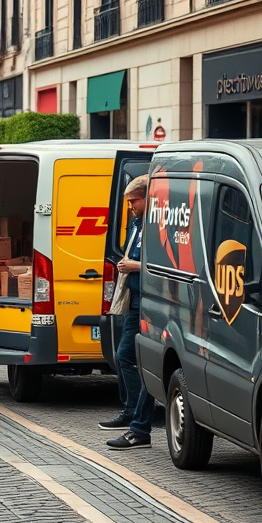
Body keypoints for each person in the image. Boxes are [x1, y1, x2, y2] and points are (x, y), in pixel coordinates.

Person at [102, 175, 156, 450]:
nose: (131, 206)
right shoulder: (136, 223)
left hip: (152, 301)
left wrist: (134, 266)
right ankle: (133, 415)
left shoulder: (156, 224)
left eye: (133, 200)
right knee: (124, 356)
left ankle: (139, 423)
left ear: (147, 197)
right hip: (135, 300)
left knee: (140, 362)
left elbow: (159, 261)